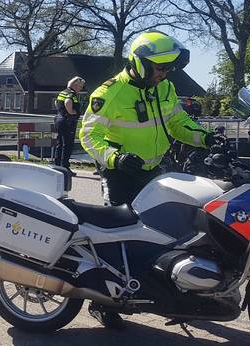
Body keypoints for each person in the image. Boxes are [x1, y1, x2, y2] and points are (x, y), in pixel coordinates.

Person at [79, 31, 214, 329]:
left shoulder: (164, 88)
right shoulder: (109, 93)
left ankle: (166, 294)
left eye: (167, 69)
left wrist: (206, 138)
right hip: (121, 173)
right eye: (159, 68)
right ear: (140, 63)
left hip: (154, 170)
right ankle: (103, 304)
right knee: (118, 240)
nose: (164, 74)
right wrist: (116, 158)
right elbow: (89, 135)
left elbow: (178, 123)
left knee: (168, 233)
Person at [54, 76, 85, 175]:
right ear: (76, 85)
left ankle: (57, 166)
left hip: (59, 119)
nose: (81, 88)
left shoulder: (64, 91)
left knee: (60, 144)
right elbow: (68, 102)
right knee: (67, 145)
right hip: (68, 122)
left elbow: (56, 103)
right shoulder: (71, 94)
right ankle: (65, 168)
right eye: (80, 86)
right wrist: (72, 112)